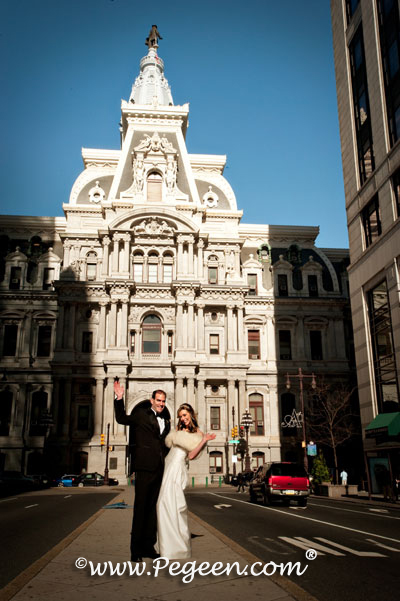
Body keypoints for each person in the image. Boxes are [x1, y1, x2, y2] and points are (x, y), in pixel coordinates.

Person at [113, 379, 170, 561]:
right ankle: (135, 551)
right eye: (158, 400)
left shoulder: (166, 421)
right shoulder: (140, 415)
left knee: (153, 509)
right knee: (140, 508)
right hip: (144, 467)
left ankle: (148, 547)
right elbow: (121, 418)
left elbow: (164, 444)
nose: (161, 403)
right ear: (152, 400)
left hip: (159, 468)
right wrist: (119, 398)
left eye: (163, 401)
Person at [156, 403, 216, 559]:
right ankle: (166, 545)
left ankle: (176, 547)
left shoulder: (198, 433)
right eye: (180, 416)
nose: (183, 418)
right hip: (168, 466)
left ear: (191, 414)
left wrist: (204, 441)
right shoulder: (177, 430)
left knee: (172, 504)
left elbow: (191, 456)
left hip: (177, 469)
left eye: (185, 415)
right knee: (162, 504)